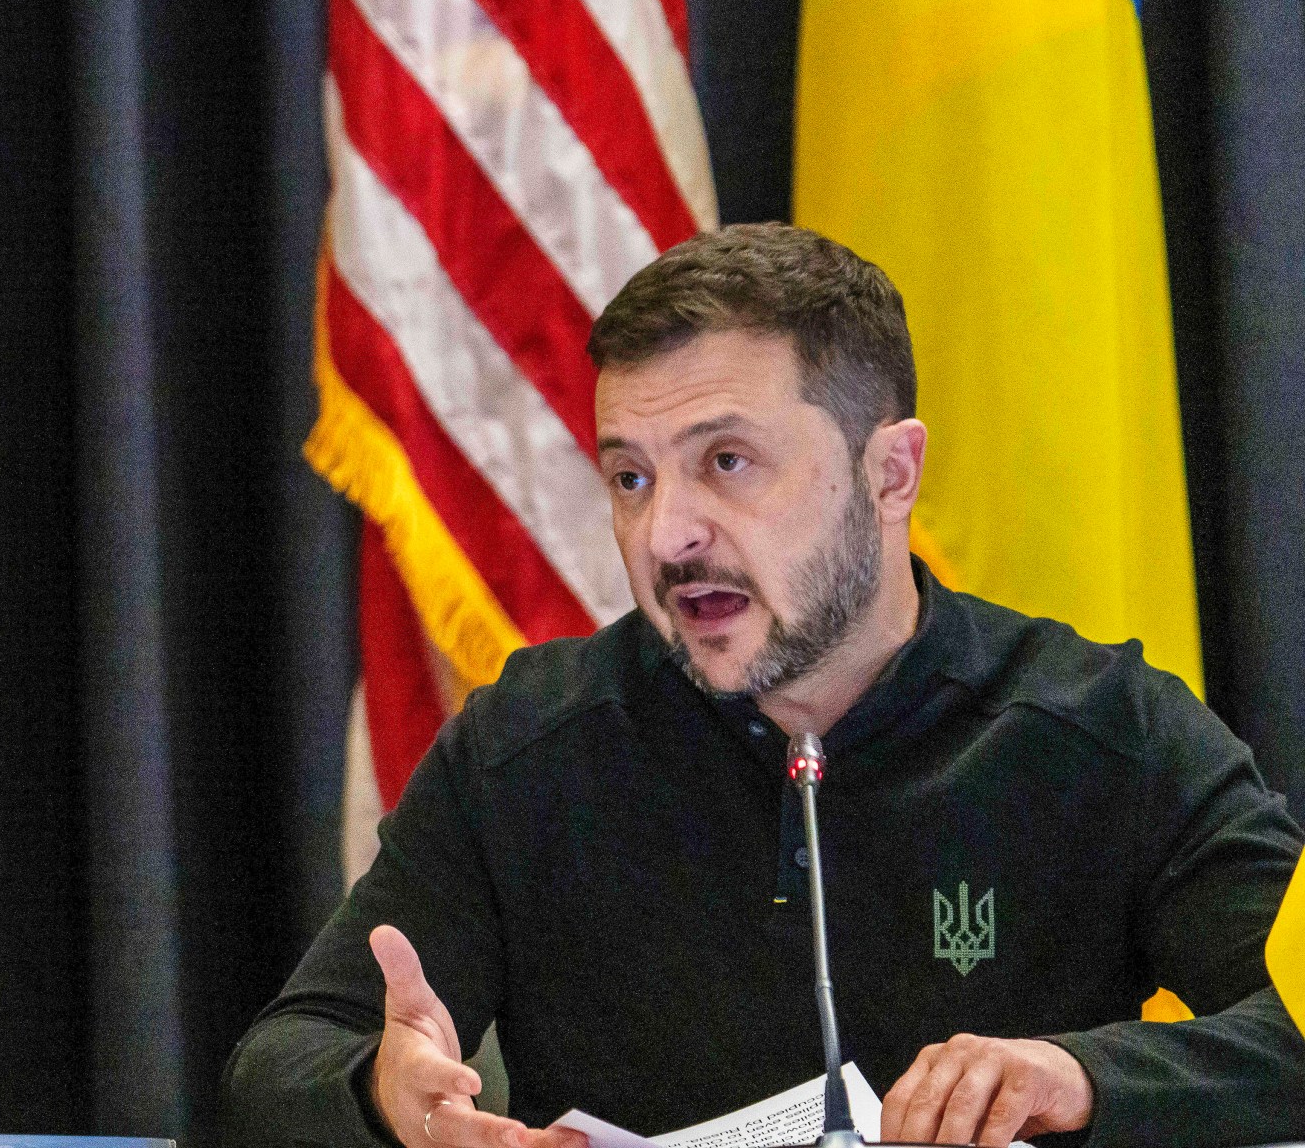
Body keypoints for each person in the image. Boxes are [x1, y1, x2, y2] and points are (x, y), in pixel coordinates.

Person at [226, 225, 1305, 1148]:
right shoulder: (532, 742)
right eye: (630, 477)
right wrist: (379, 1095)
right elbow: (278, 1061)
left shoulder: (1100, 729)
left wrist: (1082, 1081)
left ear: (890, 473)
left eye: (727, 462)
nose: (668, 532)